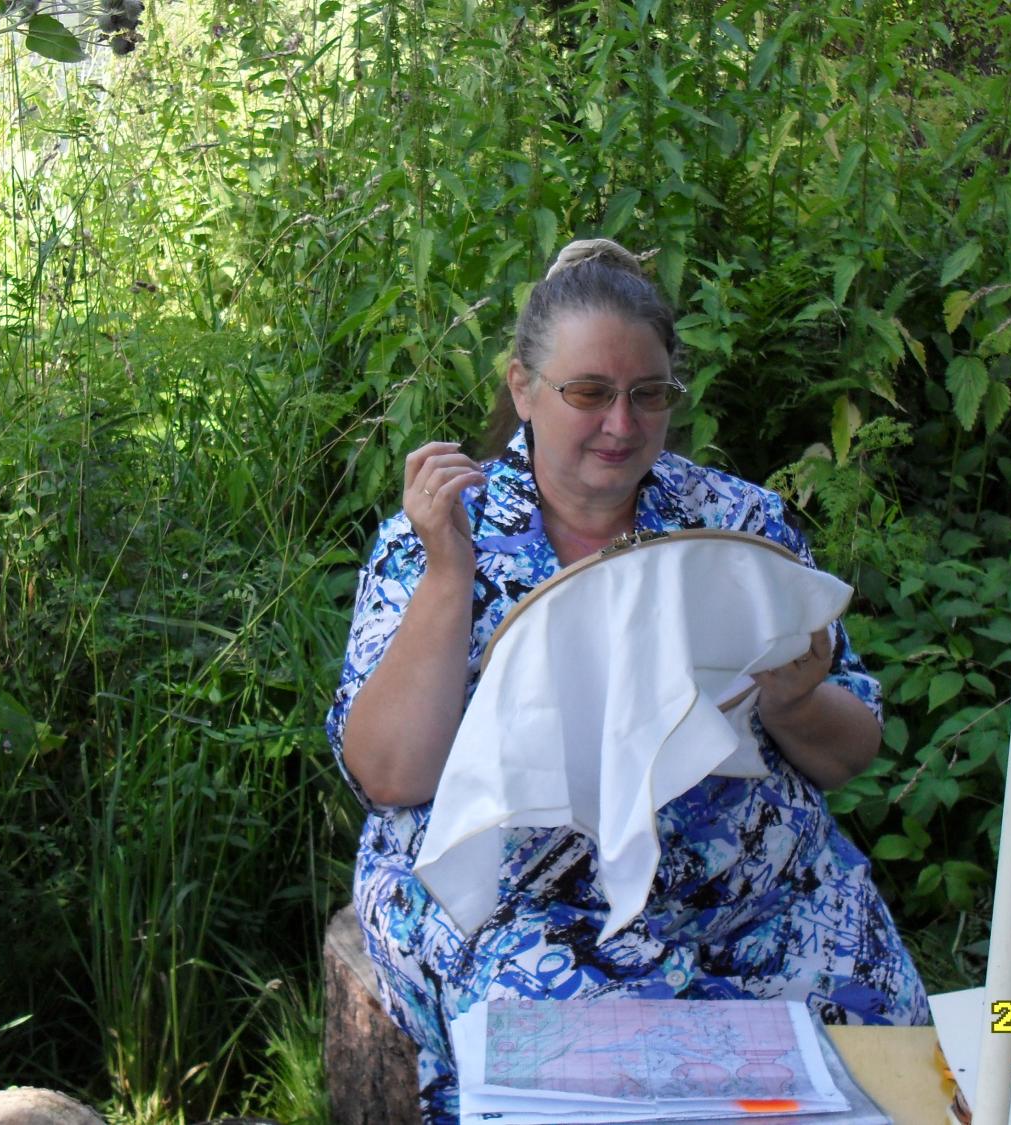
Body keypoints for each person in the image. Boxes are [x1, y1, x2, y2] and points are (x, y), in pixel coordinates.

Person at [326, 238, 929, 1123]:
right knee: (592, 1098)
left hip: (762, 896)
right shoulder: (442, 531)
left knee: (888, 1079)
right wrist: (451, 575)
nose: (621, 423)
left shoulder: (735, 524)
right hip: (526, 914)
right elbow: (391, 776)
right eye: (589, 392)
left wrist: (794, 700)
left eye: (649, 394)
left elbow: (850, 753)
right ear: (524, 388)